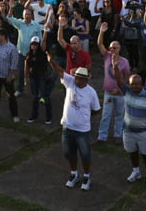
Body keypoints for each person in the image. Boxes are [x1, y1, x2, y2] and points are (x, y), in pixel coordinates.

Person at [47, 51, 101, 191]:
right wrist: (51, 61)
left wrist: (86, 117)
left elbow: (96, 109)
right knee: (68, 153)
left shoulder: (91, 92)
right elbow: (59, 72)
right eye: (75, 77)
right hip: (67, 127)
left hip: (82, 130)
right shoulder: (70, 83)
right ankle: (74, 173)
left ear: (85, 80)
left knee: (85, 154)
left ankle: (87, 176)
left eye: (79, 78)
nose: (76, 80)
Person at [121, 71, 146, 191]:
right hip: (128, 131)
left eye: (137, 84)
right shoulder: (127, 92)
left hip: (143, 132)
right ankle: (136, 171)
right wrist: (115, 65)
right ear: (129, 84)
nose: (134, 86)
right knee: (132, 152)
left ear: (141, 84)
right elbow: (117, 80)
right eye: (132, 84)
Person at [96, 22, 130, 143]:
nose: (112, 49)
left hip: (120, 94)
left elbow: (127, 78)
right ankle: (102, 136)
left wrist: (120, 89)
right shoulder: (106, 56)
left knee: (120, 115)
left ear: (119, 49)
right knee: (105, 115)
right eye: (110, 48)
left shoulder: (124, 62)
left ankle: (117, 135)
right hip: (109, 93)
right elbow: (99, 43)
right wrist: (101, 31)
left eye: (114, 47)